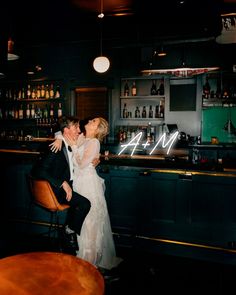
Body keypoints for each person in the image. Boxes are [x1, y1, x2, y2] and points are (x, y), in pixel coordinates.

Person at [51, 117, 122, 270]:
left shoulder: (94, 142)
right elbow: (62, 129)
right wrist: (58, 138)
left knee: (90, 221)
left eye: (94, 121)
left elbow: (82, 164)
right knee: (82, 218)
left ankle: (89, 259)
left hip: (88, 183)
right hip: (77, 182)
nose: (90, 120)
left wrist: (75, 147)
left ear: (98, 129)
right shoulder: (82, 136)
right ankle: (80, 252)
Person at [30, 116, 92, 252]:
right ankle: (69, 231)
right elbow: (38, 170)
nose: (79, 130)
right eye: (76, 127)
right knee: (85, 204)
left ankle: (71, 235)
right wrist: (62, 183)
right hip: (56, 192)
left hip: (70, 185)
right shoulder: (56, 146)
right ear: (66, 130)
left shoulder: (66, 141)